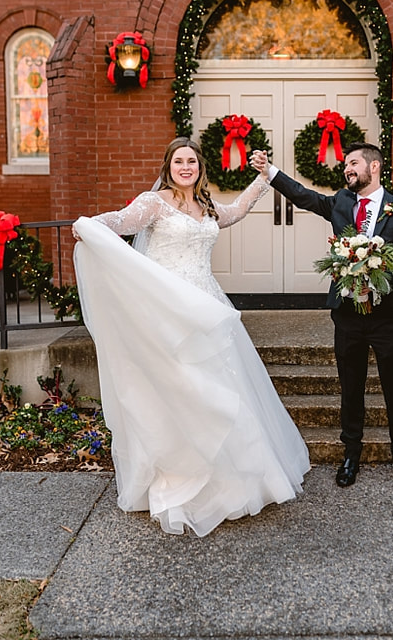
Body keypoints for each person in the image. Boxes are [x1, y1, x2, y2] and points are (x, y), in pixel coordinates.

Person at [71, 137, 310, 537]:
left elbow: (233, 213)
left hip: (208, 306)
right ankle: (186, 474)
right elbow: (123, 220)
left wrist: (262, 179)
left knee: (224, 390)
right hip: (168, 311)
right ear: (168, 166)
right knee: (186, 391)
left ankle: (235, 479)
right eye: (179, 161)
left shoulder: (207, 204)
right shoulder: (155, 202)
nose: (186, 167)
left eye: (192, 161)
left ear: (200, 167)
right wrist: (91, 226)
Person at [250, 144, 393, 490]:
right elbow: (303, 196)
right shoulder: (342, 203)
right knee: (351, 387)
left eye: (353, 163)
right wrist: (269, 172)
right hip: (348, 315)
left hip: (389, 315)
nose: (347, 169)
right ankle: (351, 455)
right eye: (346, 164)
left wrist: (380, 275)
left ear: (373, 167)